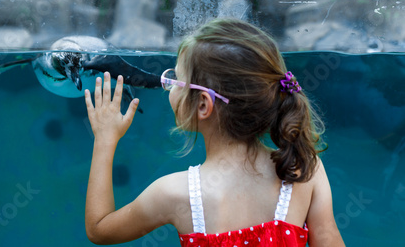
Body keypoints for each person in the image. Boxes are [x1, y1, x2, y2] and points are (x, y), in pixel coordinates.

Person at [84, 18, 345, 246]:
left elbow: (99, 229)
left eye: (175, 77)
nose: (168, 85)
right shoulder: (303, 170)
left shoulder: (175, 193)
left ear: (203, 104)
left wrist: (105, 140)